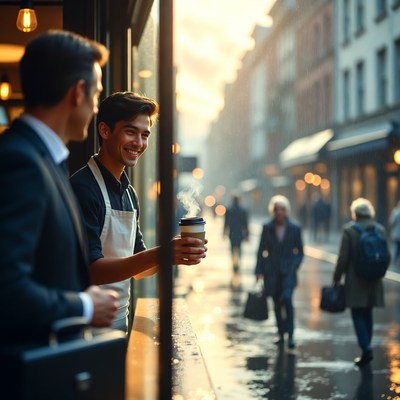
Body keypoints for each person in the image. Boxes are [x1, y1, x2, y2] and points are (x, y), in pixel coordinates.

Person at [0, 30, 119, 350]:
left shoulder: (38, 157)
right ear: (78, 93)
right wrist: (85, 305)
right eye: (96, 95)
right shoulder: (20, 162)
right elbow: (7, 289)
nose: (96, 109)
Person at [70, 91, 208, 332]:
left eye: (145, 135)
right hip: (84, 328)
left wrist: (175, 253)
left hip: (119, 322)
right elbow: (90, 271)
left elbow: (140, 270)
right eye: (130, 131)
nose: (139, 143)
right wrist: (163, 253)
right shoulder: (83, 189)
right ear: (104, 131)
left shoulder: (129, 193)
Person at [332, 198, 386, 367]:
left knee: (357, 313)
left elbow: (343, 258)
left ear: (355, 213)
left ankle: (366, 347)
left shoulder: (349, 231)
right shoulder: (380, 229)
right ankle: (366, 349)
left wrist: (336, 277)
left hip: (355, 280)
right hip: (374, 279)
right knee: (368, 313)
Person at [255, 195, 304, 349]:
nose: (279, 212)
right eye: (277, 209)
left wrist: (294, 265)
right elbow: (261, 250)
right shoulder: (267, 227)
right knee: (276, 303)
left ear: (286, 211)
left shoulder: (295, 228)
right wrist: (259, 270)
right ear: (273, 211)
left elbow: (300, 251)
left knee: (288, 300)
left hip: (288, 272)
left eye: (282, 209)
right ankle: (280, 334)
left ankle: (291, 335)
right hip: (272, 272)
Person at [223, 193, 249, 284]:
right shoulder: (243, 210)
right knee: (239, 249)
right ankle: (238, 263)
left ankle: (234, 263)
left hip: (232, 233)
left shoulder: (229, 210)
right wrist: (247, 235)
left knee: (232, 249)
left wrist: (224, 232)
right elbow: (246, 224)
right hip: (239, 233)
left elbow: (226, 222)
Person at [389, 200, 400, 266]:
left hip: (396, 233)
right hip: (397, 233)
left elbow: (391, 222)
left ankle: (395, 260)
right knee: (398, 247)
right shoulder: (396, 212)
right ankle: (396, 260)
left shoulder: (395, 212)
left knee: (397, 247)